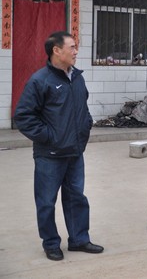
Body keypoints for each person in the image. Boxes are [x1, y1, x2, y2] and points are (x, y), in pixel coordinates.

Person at [14, 31, 104, 261]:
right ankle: (51, 243)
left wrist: (86, 125)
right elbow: (23, 116)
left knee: (76, 198)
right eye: (72, 47)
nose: (76, 52)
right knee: (46, 202)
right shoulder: (40, 80)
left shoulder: (77, 77)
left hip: (75, 151)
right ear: (56, 50)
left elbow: (82, 108)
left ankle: (79, 239)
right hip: (50, 154)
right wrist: (49, 137)